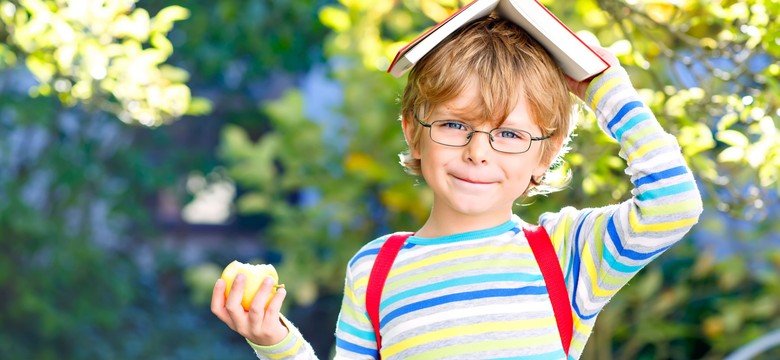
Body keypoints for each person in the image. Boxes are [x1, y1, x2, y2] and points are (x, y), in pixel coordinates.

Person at [211, 14, 703, 360]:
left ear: (545, 154)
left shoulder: (565, 254)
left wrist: (606, 89)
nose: (478, 152)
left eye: (509, 134)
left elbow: (673, 207)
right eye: (453, 125)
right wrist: (273, 340)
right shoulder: (376, 270)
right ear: (413, 131)